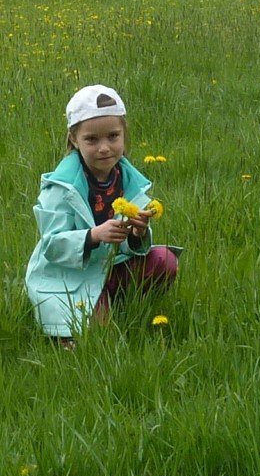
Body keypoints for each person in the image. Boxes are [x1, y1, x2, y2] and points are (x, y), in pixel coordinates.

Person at [26, 84, 178, 343]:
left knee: (165, 260)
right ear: (74, 139)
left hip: (112, 267)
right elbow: (51, 245)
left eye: (113, 136)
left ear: (124, 135)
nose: (104, 148)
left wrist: (138, 234)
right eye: (92, 140)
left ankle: (119, 302)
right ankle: (73, 327)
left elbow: (131, 247)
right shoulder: (61, 187)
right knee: (99, 338)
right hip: (72, 274)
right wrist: (93, 235)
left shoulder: (128, 179)